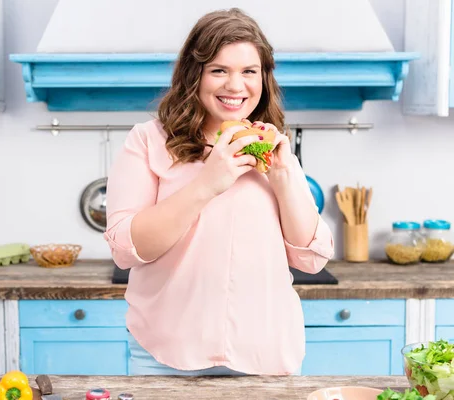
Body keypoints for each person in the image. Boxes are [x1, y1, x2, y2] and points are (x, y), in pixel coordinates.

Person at [104, 8, 334, 376]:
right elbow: (125, 250)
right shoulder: (148, 141)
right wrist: (207, 184)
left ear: (264, 78)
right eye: (219, 70)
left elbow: (312, 258)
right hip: (164, 356)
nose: (235, 86)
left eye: (248, 71)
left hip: (266, 358)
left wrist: (285, 176)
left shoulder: (268, 144)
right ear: (194, 76)